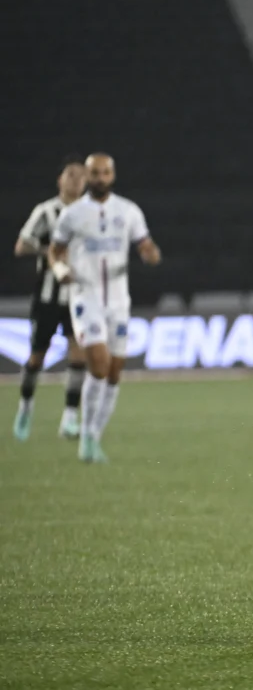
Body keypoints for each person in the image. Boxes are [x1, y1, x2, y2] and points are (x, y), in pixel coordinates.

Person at [48, 153, 161, 463]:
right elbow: (55, 253)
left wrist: (150, 253)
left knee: (113, 372)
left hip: (119, 301)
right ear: (87, 177)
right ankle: (85, 436)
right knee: (98, 363)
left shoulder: (128, 211)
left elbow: (144, 244)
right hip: (87, 298)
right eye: (94, 173)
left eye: (105, 173)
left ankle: (94, 436)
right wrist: (61, 272)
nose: (100, 178)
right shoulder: (72, 215)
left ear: (113, 175)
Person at [12, 155, 88, 442]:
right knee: (37, 357)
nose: (75, 180)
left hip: (78, 297)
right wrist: (51, 253)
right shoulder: (46, 212)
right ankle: (25, 407)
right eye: (70, 174)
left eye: (80, 176)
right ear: (60, 180)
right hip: (47, 297)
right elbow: (21, 245)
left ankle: (69, 419)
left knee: (78, 352)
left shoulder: (90, 215)